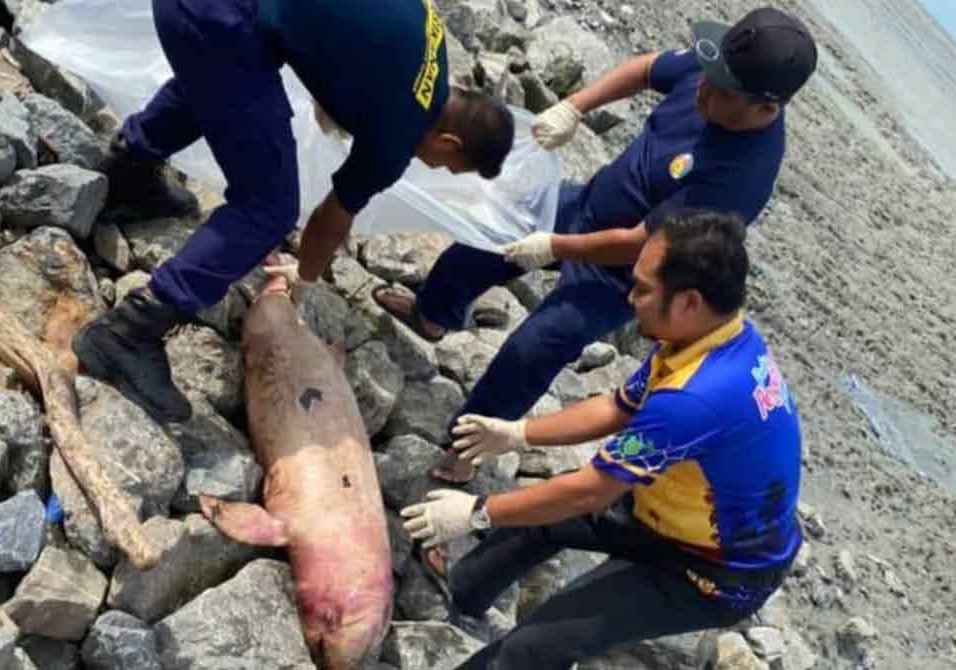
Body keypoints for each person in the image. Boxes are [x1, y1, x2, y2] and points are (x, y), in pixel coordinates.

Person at [375, 6, 817, 483]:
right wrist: (574, 107)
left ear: (764, 108)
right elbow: (646, 69)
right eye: (708, 75)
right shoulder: (719, 68)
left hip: (626, 271)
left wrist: (556, 247)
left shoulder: (742, 178)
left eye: (721, 90)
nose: (703, 89)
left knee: (535, 348)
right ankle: (434, 313)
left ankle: (465, 449)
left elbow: (642, 244)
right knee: (487, 235)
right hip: (593, 200)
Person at [72, 0, 515, 423]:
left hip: (205, 13)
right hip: (217, 20)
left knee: (224, 79)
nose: (431, 165)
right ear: (449, 142)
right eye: (445, 164)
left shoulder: (431, 40)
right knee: (270, 208)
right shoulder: (400, 133)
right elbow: (329, 220)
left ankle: (129, 171)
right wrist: (301, 284)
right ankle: (130, 330)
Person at [400, 209, 802, 670]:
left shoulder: (697, 396)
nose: (631, 298)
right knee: (538, 518)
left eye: (644, 289)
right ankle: (454, 599)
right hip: (668, 506)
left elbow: (591, 491)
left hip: (712, 568)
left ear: (689, 301)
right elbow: (618, 406)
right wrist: (516, 434)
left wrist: (476, 513)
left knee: (535, 645)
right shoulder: (707, 335)